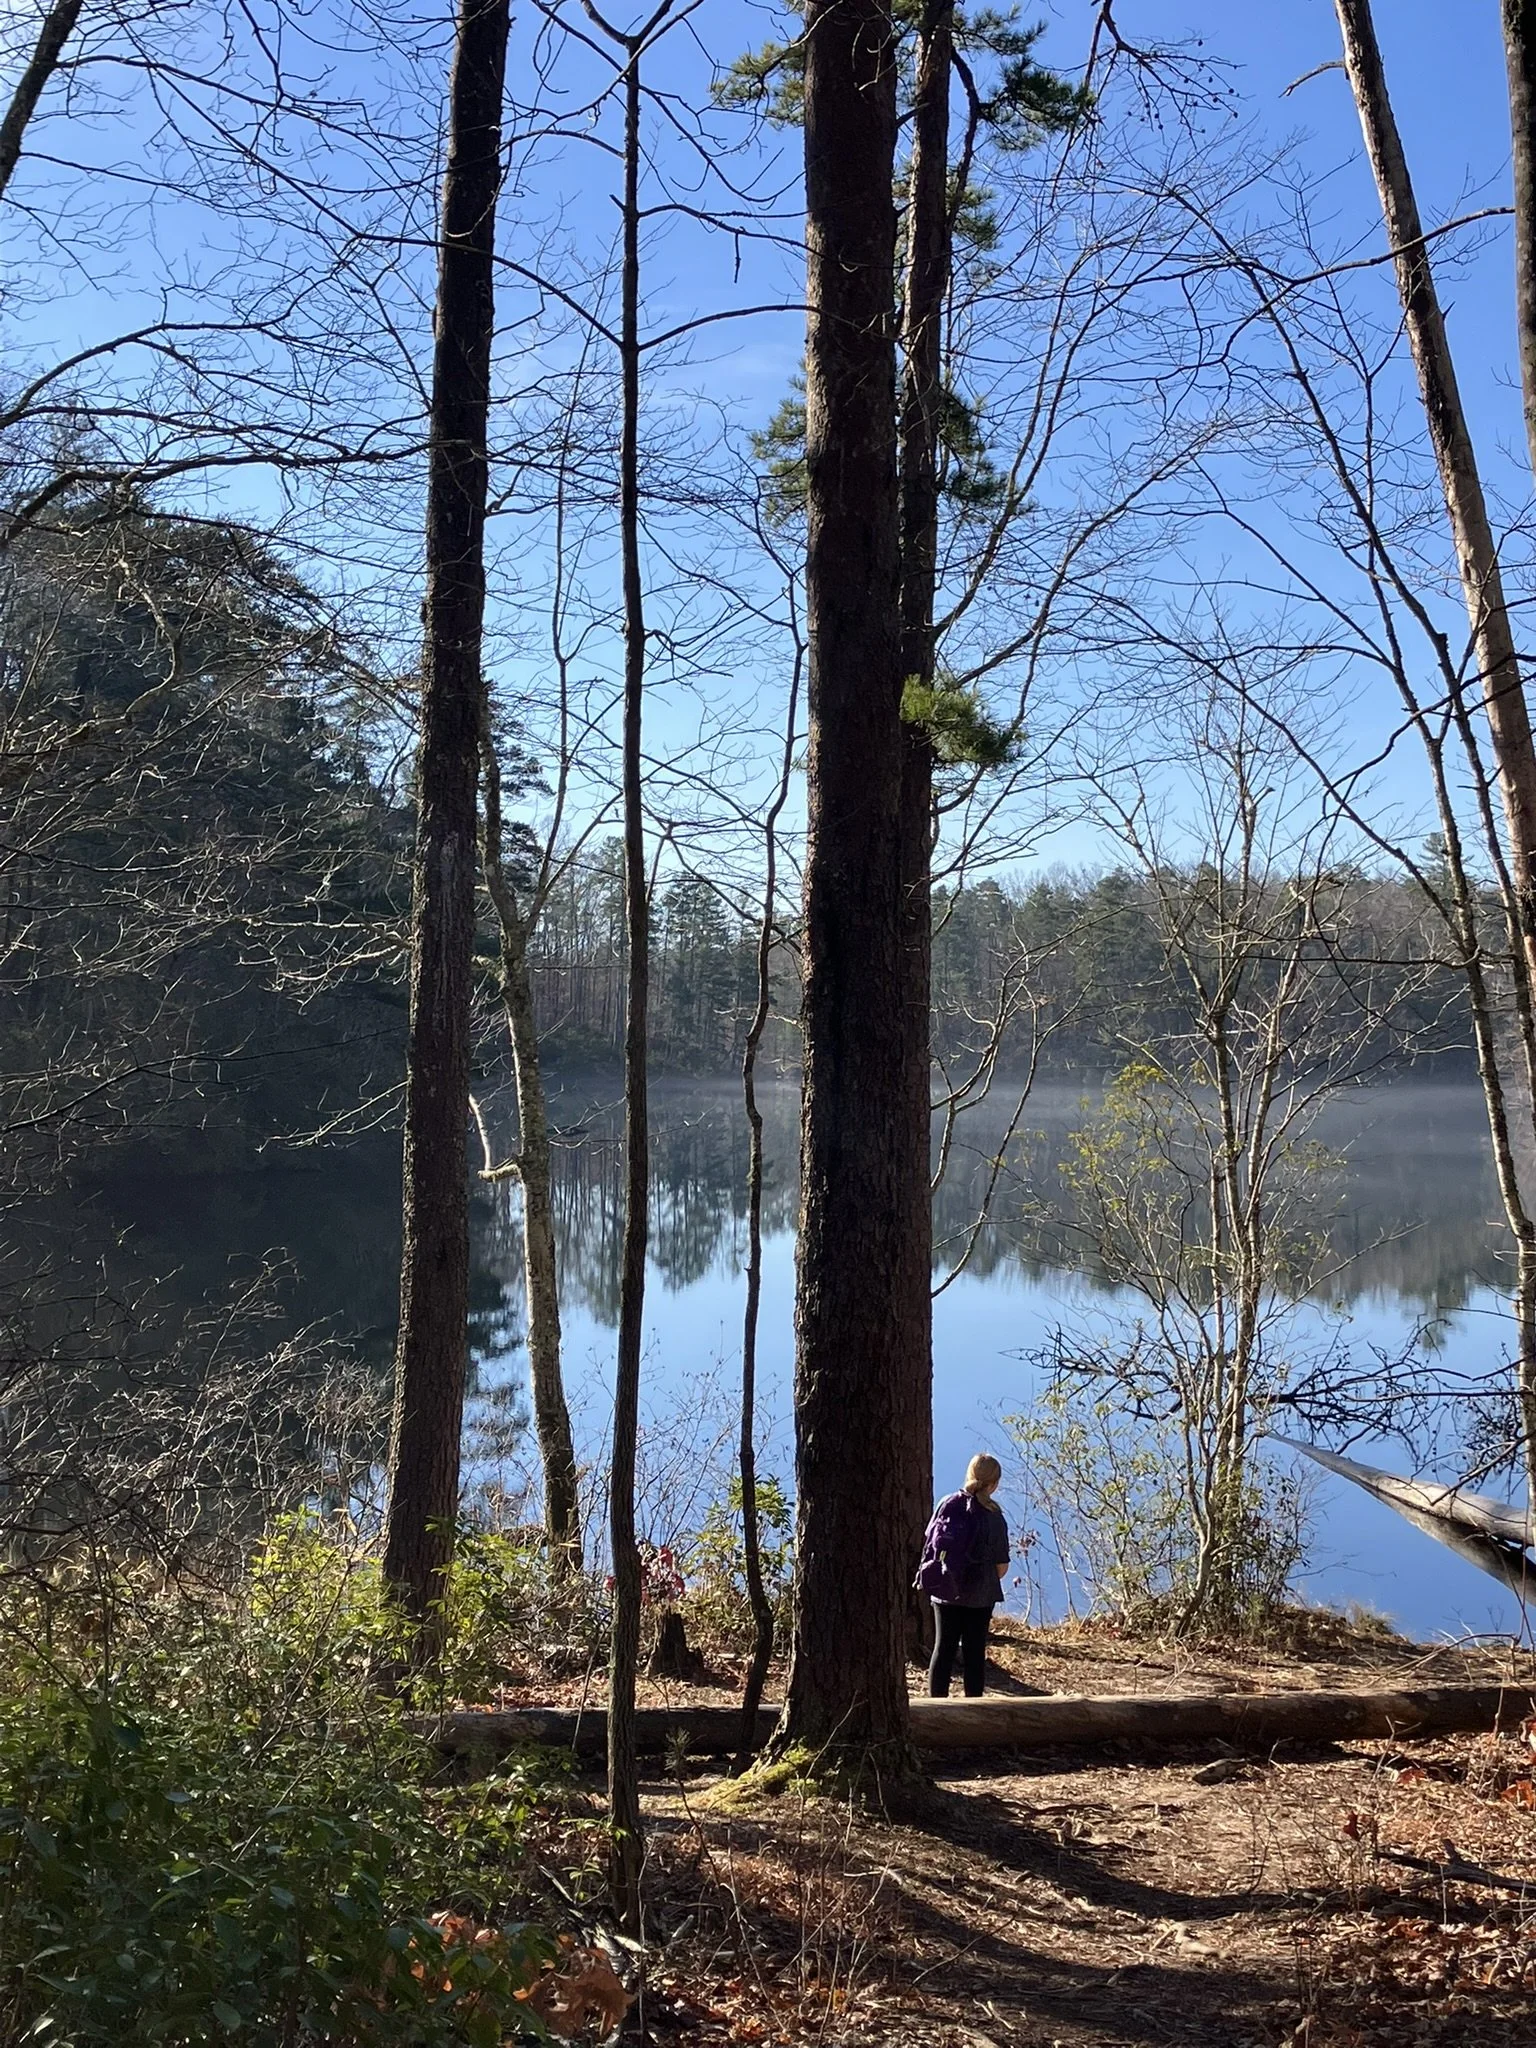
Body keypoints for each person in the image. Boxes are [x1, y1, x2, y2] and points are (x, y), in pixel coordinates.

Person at [927, 1453, 1010, 1699]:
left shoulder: (947, 1503)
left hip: (944, 1588)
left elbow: (930, 1543)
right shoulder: (994, 1515)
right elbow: (1001, 1565)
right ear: (994, 1484)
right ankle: (973, 1710)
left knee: (942, 1649)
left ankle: (935, 1709)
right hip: (980, 1595)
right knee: (974, 1653)